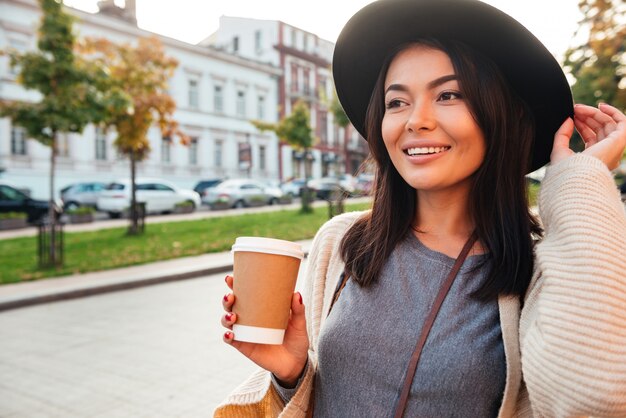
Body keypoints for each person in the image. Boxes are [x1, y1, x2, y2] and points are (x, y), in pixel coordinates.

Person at [216, 0, 626, 416]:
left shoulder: (540, 264)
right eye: (397, 102)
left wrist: (579, 178)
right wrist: (293, 374)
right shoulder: (341, 242)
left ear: (501, 115)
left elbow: (597, 399)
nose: (416, 120)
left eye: (448, 95)